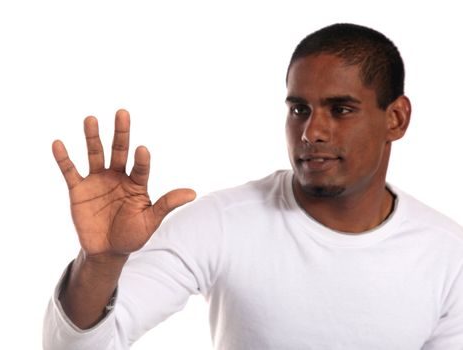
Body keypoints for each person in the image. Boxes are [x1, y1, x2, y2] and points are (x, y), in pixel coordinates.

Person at [43, 23, 463, 349]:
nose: (311, 131)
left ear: (396, 119)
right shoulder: (221, 223)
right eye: (299, 108)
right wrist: (100, 264)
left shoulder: (446, 253)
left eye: (340, 109)